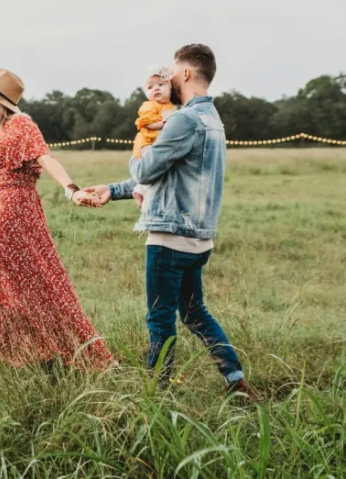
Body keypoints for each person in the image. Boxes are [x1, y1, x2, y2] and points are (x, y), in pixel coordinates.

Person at [84, 45, 255, 396]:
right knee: (194, 314)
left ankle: (157, 395)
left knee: (160, 318)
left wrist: (140, 152)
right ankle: (235, 381)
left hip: (169, 237)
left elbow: (147, 168)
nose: (170, 80)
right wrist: (113, 190)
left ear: (187, 74)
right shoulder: (213, 120)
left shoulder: (183, 119)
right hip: (199, 239)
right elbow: (167, 177)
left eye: (174, 74)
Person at [0, 68, 115, 369]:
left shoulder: (22, 125)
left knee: (37, 283)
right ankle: (10, 354)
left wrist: (72, 190)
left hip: (14, 214)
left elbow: (45, 157)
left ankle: (60, 351)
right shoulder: (2, 132)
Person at [132, 65, 178, 210]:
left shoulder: (171, 106)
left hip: (158, 142)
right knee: (152, 163)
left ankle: (140, 190)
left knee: (158, 168)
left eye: (161, 85)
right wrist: (161, 124)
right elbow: (145, 122)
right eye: (151, 87)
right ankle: (142, 193)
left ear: (170, 88)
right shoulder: (149, 105)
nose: (156, 89)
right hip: (147, 142)